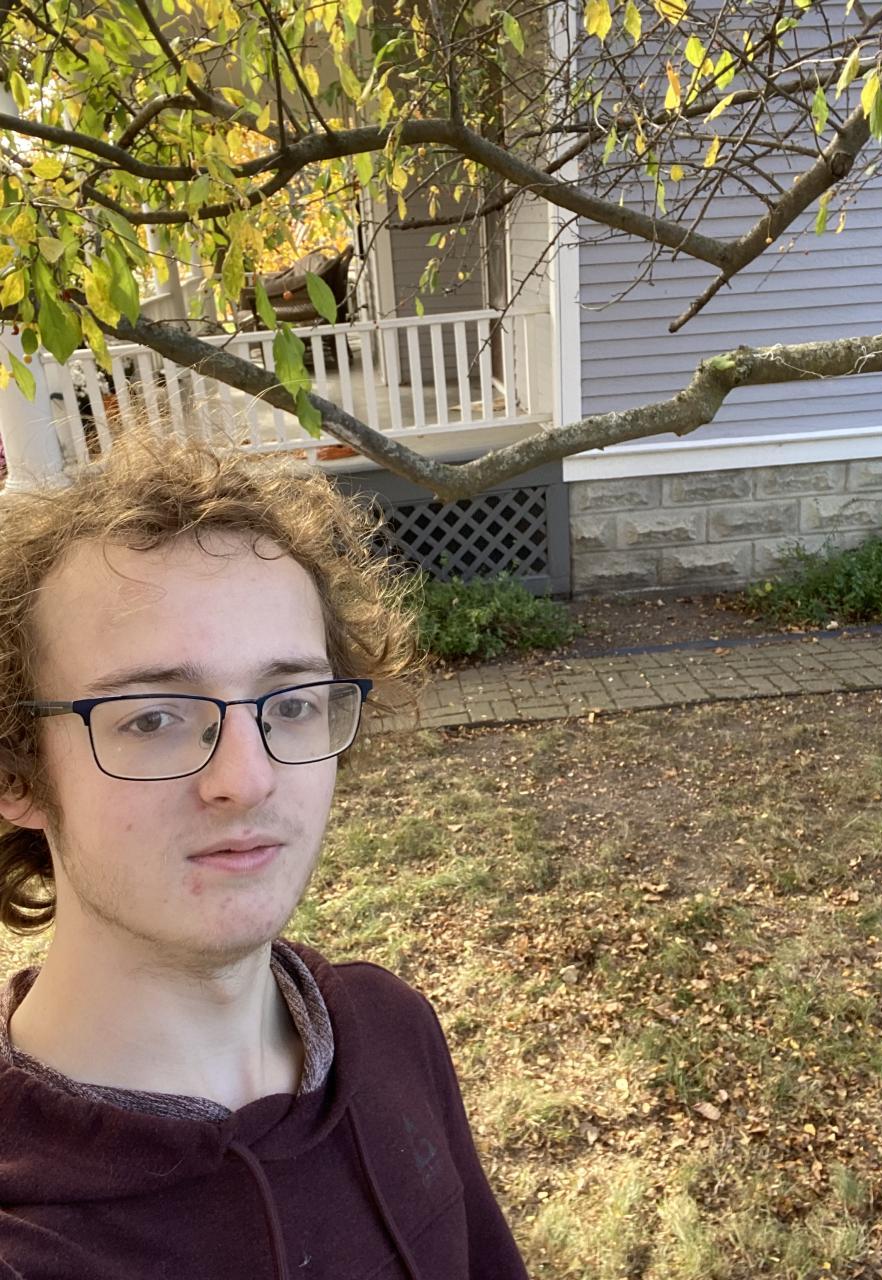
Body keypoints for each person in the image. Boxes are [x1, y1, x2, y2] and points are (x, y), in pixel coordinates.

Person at [0, 431, 528, 1280]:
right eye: (153, 718)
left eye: (290, 704)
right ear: (17, 772)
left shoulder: (393, 1030)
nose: (246, 780)